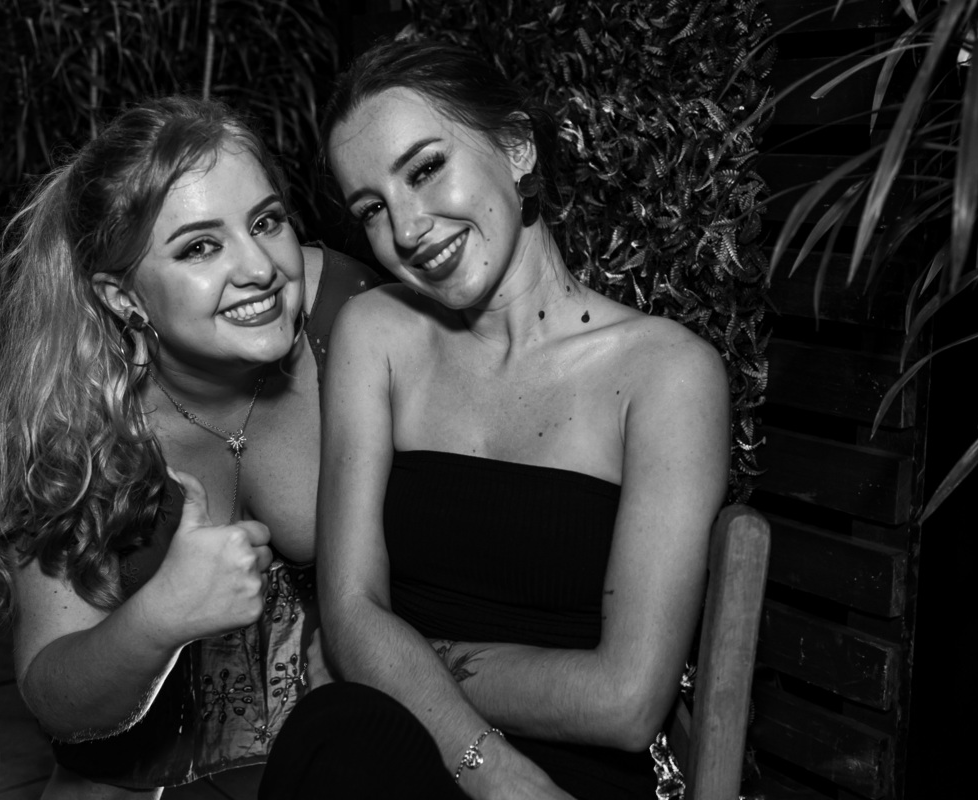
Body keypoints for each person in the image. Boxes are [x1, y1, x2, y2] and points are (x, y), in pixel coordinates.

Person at [261, 39, 730, 799]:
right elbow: (348, 615)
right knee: (339, 743)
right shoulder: (375, 334)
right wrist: (496, 773)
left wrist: (399, 660)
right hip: (398, 750)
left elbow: (625, 702)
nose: (407, 229)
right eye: (372, 209)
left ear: (516, 147)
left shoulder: (666, 373)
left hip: (584, 769)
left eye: (424, 169)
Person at [0, 96, 378, 798]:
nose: (260, 268)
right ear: (123, 299)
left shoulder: (355, 320)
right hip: (133, 762)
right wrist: (161, 615)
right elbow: (54, 697)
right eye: (200, 247)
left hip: (341, 744)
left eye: (266, 221)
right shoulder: (71, 420)